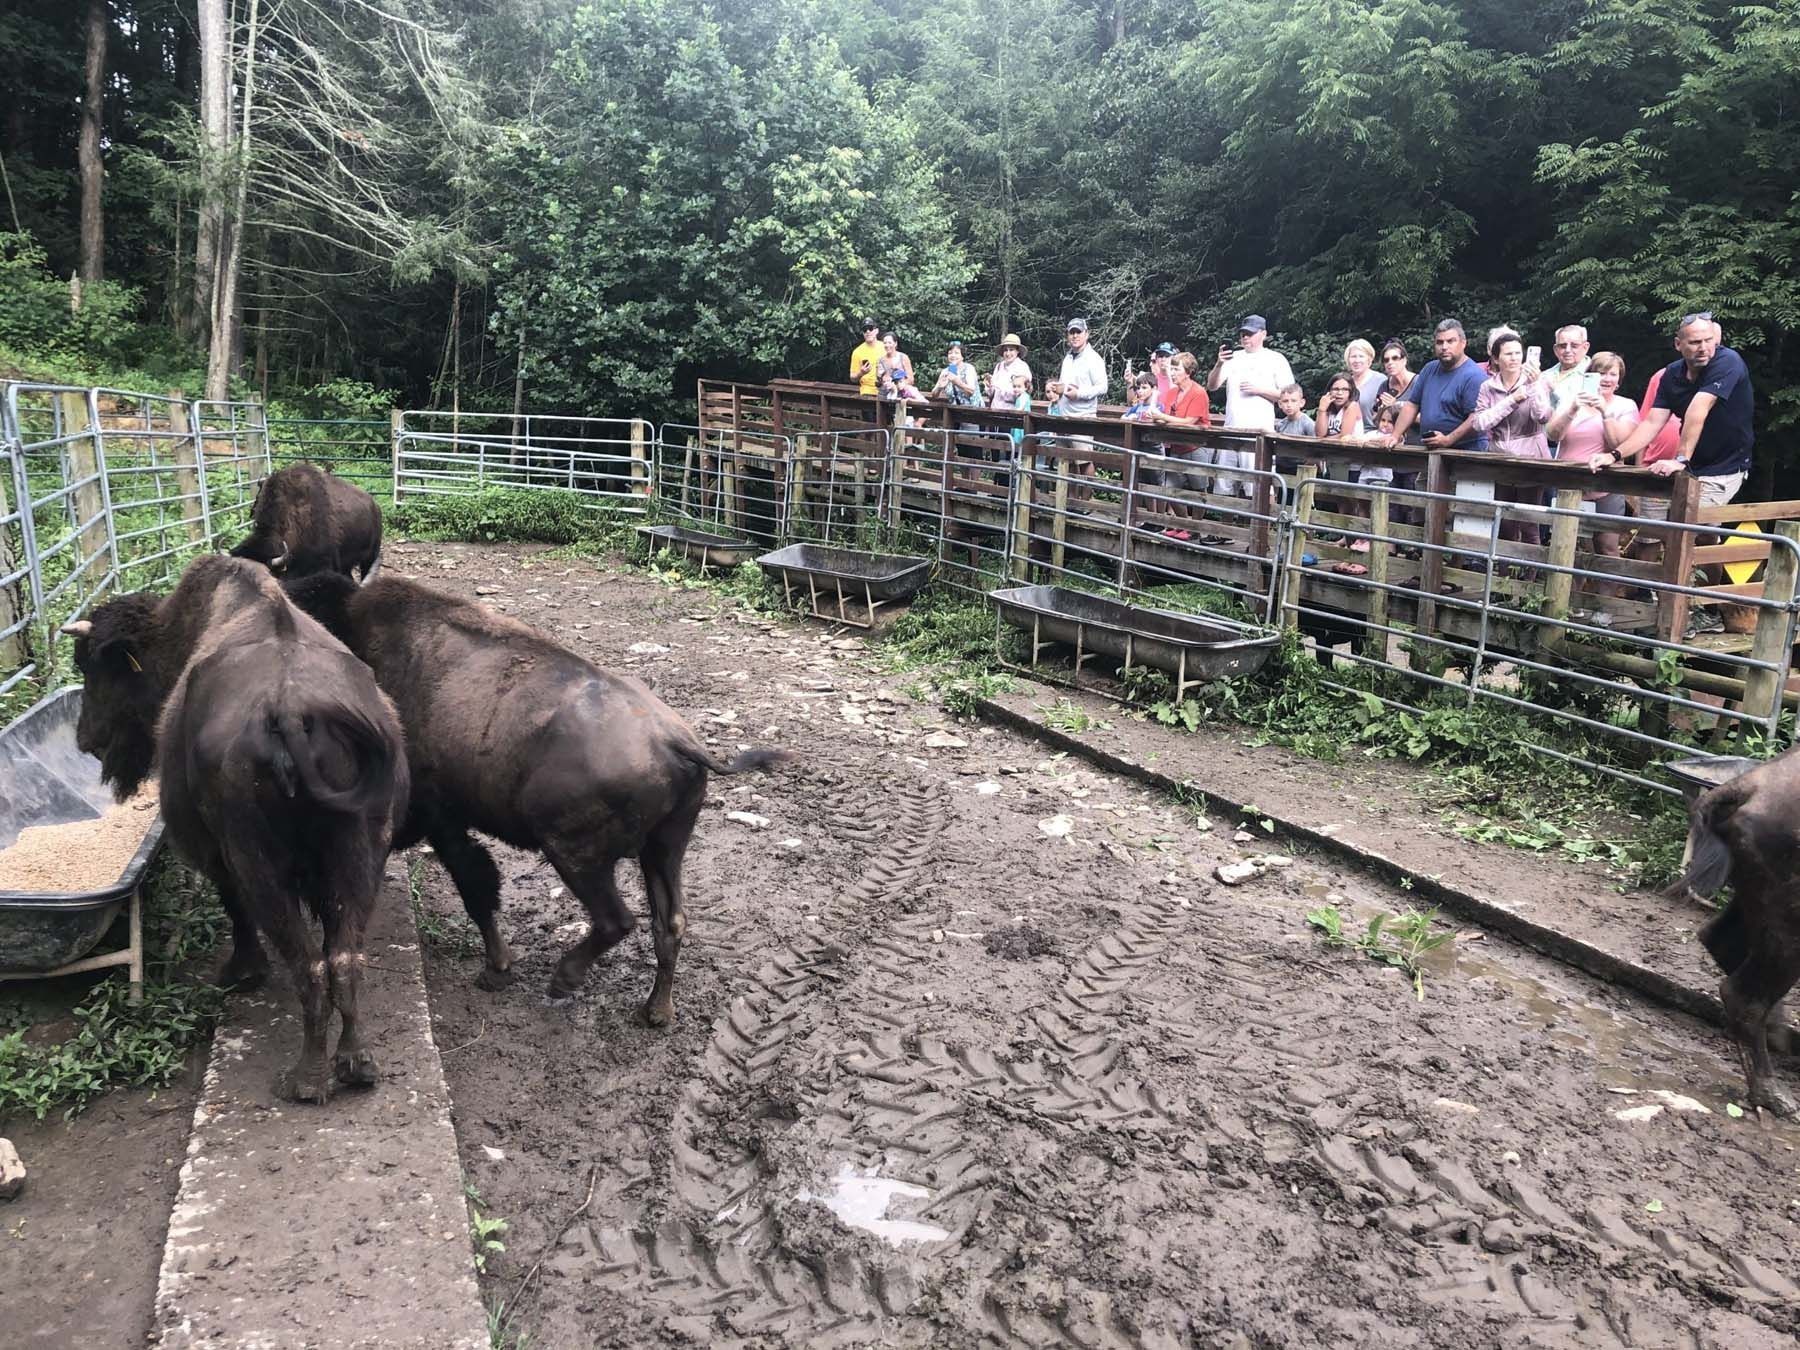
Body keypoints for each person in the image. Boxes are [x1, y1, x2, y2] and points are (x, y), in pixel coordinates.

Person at [1595, 314, 1754, 633]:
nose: (1704, 347)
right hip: (1692, 462)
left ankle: (1702, 609)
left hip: (1725, 465)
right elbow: (1652, 423)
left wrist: (1680, 458)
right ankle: (1649, 603)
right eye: (1695, 342)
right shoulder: (1671, 375)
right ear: (1678, 344)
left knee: (1694, 531)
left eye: (1709, 339)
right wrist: (1615, 454)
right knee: (1652, 529)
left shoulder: (1728, 362)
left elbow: (1698, 408)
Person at [1549, 351, 1637, 613]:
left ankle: (1604, 609)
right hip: (1570, 487)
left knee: (1607, 547)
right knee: (1570, 545)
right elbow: (1553, 434)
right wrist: (1573, 408)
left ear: (1619, 380)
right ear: (1589, 375)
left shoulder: (1625, 405)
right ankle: (1567, 606)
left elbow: (1620, 445)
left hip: (1608, 487)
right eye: (1601, 372)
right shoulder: (1570, 399)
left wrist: (1604, 411)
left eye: (1613, 374)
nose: (1606, 378)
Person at [1207, 315, 1293, 497]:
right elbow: (1212, 386)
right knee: (1224, 486)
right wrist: (1219, 363)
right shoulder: (1234, 357)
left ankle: (1262, 525)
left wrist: (1259, 390)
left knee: (1259, 487)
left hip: (1259, 434)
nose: (1245, 337)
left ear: (1263, 334)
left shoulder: (1275, 359)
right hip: (1231, 430)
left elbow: (1289, 395)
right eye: (1243, 334)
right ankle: (1226, 525)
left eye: (1250, 334)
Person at [1387, 319, 1488, 451]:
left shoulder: (1474, 376)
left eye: (1450, 341)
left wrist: (1448, 439)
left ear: (1463, 343)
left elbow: (1476, 417)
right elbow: (1412, 405)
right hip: (1431, 450)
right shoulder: (1429, 369)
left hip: (1466, 454)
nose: (1444, 347)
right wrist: (1395, 436)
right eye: (1439, 342)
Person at [1147, 351, 1212, 535]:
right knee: (1169, 489)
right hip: (1176, 446)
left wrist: (1162, 417)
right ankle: (1184, 524)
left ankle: (1194, 528)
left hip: (1195, 447)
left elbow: (1189, 421)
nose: (1172, 372)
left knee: (1199, 490)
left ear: (1188, 371)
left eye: (1177, 369)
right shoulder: (1172, 392)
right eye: (1172, 368)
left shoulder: (1199, 392)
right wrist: (1155, 417)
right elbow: (1166, 416)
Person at [1045, 318, 1108, 495]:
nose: (1074, 336)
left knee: (1085, 460)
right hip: (1064, 416)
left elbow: (1102, 387)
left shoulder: (1094, 359)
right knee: (1069, 461)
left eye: (1078, 332)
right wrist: (1059, 388)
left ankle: (1085, 501)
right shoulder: (1067, 358)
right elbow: (1067, 384)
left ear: (1086, 334)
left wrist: (1079, 393)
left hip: (1083, 416)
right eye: (1071, 332)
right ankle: (1071, 499)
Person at [1542, 324, 1592, 421]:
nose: (1568, 350)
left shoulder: (1595, 373)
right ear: (1556, 350)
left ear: (1585, 347)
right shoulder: (1544, 376)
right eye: (1563, 346)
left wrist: (1555, 390)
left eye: (1574, 346)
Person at [986, 333, 1033, 410]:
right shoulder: (999, 366)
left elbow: (1024, 393)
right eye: (1005, 350)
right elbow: (992, 393)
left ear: (1017, 351)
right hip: (995, 409)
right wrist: (990, 386)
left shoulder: (1022, 367)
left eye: (1011, 350)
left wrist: (1000, 387)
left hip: (1012, 411)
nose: (1008, 353)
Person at [931, 341, 981, 406]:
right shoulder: (945, 371)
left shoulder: (969, 369)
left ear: (962, 356)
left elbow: (971, 391)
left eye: (956, 353)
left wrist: (957, 382)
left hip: (974, 411)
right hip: (954, 411)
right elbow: (934, 395)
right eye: (950, 353)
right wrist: (939, 388)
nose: (953, 355)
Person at [850, 318, 883, 395]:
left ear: (876, 331)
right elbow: (852, 378)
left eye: (871, 328)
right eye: (865, 330)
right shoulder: (857, 352)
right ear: (862, 333)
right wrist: (861, 373)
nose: (868, 332)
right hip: (867, 391)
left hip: (886, 389)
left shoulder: (885, 347)